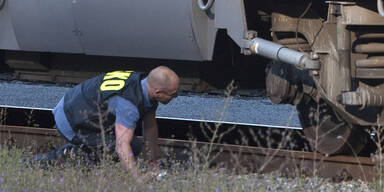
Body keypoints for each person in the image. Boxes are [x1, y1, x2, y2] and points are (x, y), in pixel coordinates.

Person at [33, 66, 179, 179]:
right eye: (173, 94)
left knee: (132, 144)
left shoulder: (144, 85)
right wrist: (138, 179)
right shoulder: (129, 103)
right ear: (158, 92)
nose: (175, 97)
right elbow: (121, 145)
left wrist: (153, 163)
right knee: (130, 146)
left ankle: (83, 157)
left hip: (75, 106)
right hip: (71, 120)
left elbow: (150, 129)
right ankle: (52, 159)